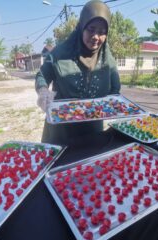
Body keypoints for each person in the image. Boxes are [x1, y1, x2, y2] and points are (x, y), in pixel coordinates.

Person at [35, 0, 121, 145]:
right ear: (81, 27)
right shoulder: (60, 53)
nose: (96, 37)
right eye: (91, 29)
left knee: (89, 163)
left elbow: (115, 90)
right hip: (62, 130)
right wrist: (43, 91)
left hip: (92, 129)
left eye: (101, 32)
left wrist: (110, 104)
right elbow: (42, 75)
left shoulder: (107, 59)